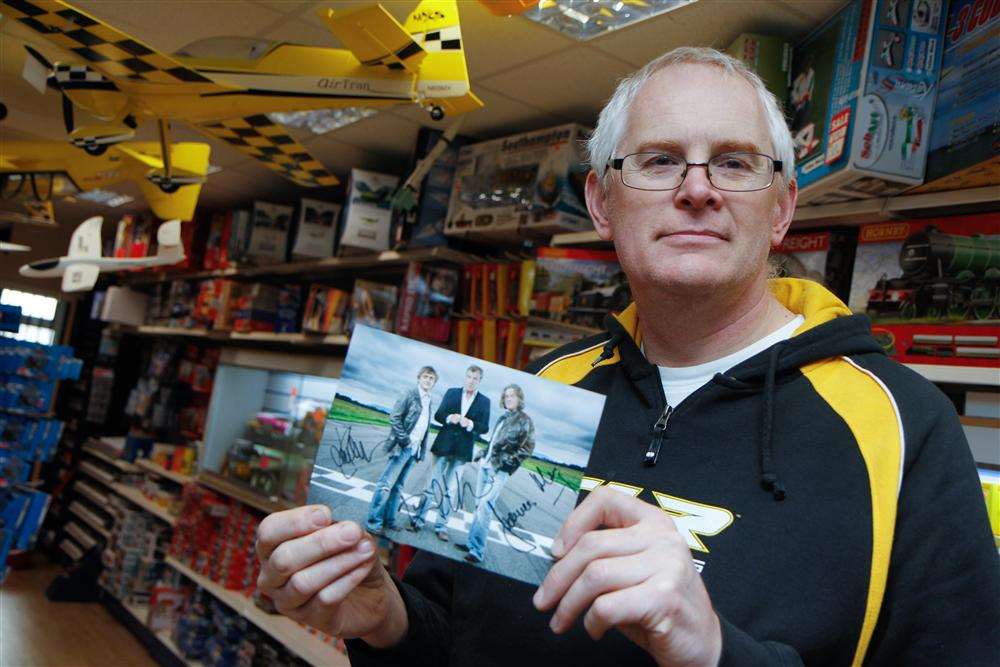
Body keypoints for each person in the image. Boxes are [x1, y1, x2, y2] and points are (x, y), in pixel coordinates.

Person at [254, 47, 1000, 666]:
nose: (697, 190)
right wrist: (387, 621)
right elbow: (460, 641)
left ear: (781, 209)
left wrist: (714, 651)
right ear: (603, 202)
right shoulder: (546, 390)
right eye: (660, 159)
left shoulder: (905, 429)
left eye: (735, 163)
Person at [409, 365, 490, 541]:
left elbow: (485, 427)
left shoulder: (485, 401)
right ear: (465, 377)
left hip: (462, 451)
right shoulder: (452, 392)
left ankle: (441, 526)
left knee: (451, 490)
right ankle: (418, 520)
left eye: (475, 378)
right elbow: (439, 415)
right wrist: (449, 417)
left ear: (479, 381)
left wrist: (470, 424)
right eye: (469, 376)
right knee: (431, 485)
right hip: (443, 445)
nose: (471, 381)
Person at [460, 383, 535, 564]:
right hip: (486, 466)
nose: (509, 398)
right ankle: (471, 543)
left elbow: (528, 448)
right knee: (479, 505)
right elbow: (494, 443)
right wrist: (481, 454)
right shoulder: (503, 418)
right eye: (506, 396)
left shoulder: (525, 420)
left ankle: (477, 551)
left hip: (499, 469)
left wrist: (507, 463)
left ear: (519, 399)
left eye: (512, 396)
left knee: (485, 507)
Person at [364, 366, 438, 533]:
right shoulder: (410, 394)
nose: (428, 380)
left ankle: (389, 520)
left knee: (398, 487)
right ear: (419, 378)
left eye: (431, 378)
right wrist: (405, 441)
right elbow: (395, 417)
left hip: (414, 449)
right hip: (403, 447)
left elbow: (425, 427)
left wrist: (420, 450)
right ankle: (373, 521)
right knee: (386, 484)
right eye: (425, 376)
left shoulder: (428, 399)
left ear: (434, 383)